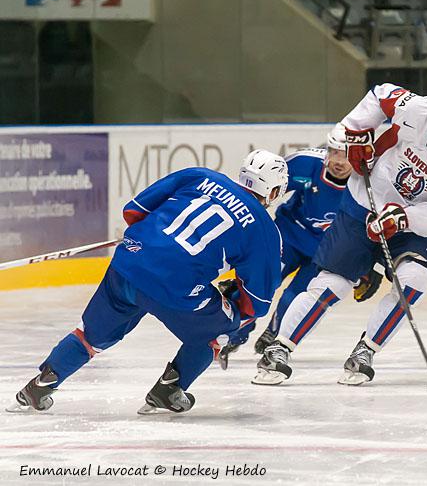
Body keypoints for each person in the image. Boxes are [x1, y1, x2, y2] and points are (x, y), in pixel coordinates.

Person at [7, 150, 289, 414]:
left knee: (90, 335)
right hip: (176, 289)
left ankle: (39, 385)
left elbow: (134, 211)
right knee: (219, 333)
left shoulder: (200, 175)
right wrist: (231, 305)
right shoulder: (266, 230)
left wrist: (153, 243)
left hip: (129, 263)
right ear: (274, 191)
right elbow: (258, 302)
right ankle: (169, 389)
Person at [252, 84, 427, 386]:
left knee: (415, 281)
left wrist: (404, 218)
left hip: (413, 228)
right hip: (365, 203)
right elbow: (380, 95)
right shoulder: (417, 110)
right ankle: (280, 348)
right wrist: (355, 134)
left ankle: (366, 351)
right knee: (333, 284)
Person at [219, 124, 369, 364]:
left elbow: (367, 228)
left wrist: (367, 268)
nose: (338, 160)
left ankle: (274, 333)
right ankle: (233, 333)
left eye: (345, 154)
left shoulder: (364, 186)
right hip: (286, 238)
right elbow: (264, 192)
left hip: (325, 251)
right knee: (258, 285)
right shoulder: (304, 163)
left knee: (296, 295)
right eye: (334, 152)